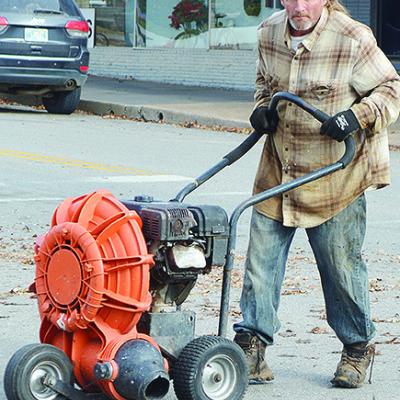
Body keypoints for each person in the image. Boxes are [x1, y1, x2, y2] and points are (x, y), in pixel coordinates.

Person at [233, 0, 400, 389]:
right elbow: (264, 84)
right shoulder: (269, 33)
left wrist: (355, 116)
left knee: (341, 271)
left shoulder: (353, 38)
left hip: (333, 179)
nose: (298, 7)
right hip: (279, 170)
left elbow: (392, 90)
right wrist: (261, 110)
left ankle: (357, 347)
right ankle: (252, 345)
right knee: (259, 265)